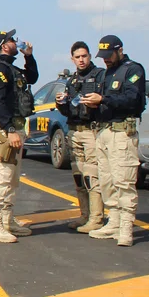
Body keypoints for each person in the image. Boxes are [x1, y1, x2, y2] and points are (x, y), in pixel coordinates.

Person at [83, 35, 147, 247]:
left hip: (121, 133)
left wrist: (104, 99)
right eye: (103, 56)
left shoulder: (132, 70)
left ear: (120, 50)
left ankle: (126, 227)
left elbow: (132, 99)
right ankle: (114, 221)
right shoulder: (106, 73)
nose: (106, 60)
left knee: (123, 180)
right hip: (103, 132)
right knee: (107, 180)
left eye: (109, 55)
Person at [0, 29, 39, 243]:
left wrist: (29, 56)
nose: (17, 42)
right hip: (7, 131)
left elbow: (32, 77)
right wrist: (9, 130)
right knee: (3, 177)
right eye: (12, 40)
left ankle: (7, 220)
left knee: (13, 179)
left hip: (16, 127)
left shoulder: (10, 69)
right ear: (4, 46)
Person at [55, 42, 106, 233]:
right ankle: (84, 215)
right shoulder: (72, 81)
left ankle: (96, 218)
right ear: (72, 59)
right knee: (78, 176)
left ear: (90, 56)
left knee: (92, 176)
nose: (81, 60)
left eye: (84, 56)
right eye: (77, 57)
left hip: (91, 131)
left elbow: (106, 102)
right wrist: (61, 103)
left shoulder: (99, 76)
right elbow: (68, 109)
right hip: (74, 130)